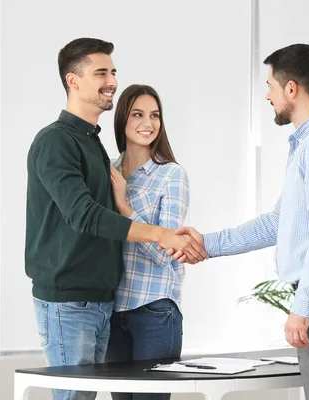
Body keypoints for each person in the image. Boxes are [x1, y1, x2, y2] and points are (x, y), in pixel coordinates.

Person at [169, 44, 309, 400]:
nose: (267, 95)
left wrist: (303, 305)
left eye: (270, 85)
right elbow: (281, 223)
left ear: (292, 88)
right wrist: (209, 243)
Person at [25, 38, 207, 400]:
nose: (110, 80)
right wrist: (162, 234)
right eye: (100, 72)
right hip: (69, 302)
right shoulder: (55, 142)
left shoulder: (94, 146)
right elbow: (84, 215)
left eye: (112, 72)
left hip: (102, 303)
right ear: (73, 81)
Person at [105, 85, 187, 400]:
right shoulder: (108, 171)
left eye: (154, 115)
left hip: (155, 310)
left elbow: (166, 252)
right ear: (122, 119)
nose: (148, 123)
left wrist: (125, 207)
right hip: (112, 311)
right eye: (138, 114)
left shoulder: (171, 176)